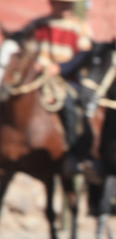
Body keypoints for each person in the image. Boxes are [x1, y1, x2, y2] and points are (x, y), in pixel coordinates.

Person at [23, 0, 93, 152]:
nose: (66, 6)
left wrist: (61, 68)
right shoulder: (39, 24)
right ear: (52, 4)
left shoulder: (79, 26)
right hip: (37, 78)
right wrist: (32, 64)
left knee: (67, 103)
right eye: (62, 3)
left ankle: (72, 149)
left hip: (66, 79)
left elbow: (83, 55)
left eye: (69, 4)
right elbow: (25, 46)